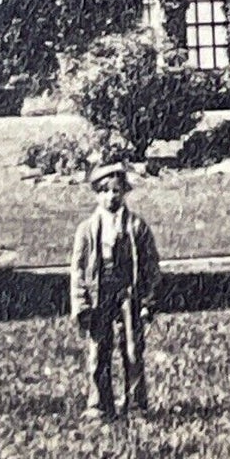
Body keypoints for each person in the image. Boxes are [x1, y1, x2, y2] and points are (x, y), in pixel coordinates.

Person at [69, 161, 161, 422]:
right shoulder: (87, 230)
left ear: (125, 192)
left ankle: (135, 405)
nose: (111, 196)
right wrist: (80, 303)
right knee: (99, 350)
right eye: (105, 191)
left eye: (117, 190)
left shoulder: (136, 227)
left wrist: (148, 300)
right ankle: (99, 405)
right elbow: (77, 269)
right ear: (97, 194)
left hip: (128, 293)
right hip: (100, 293)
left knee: (132, 349)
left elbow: (151, 265)